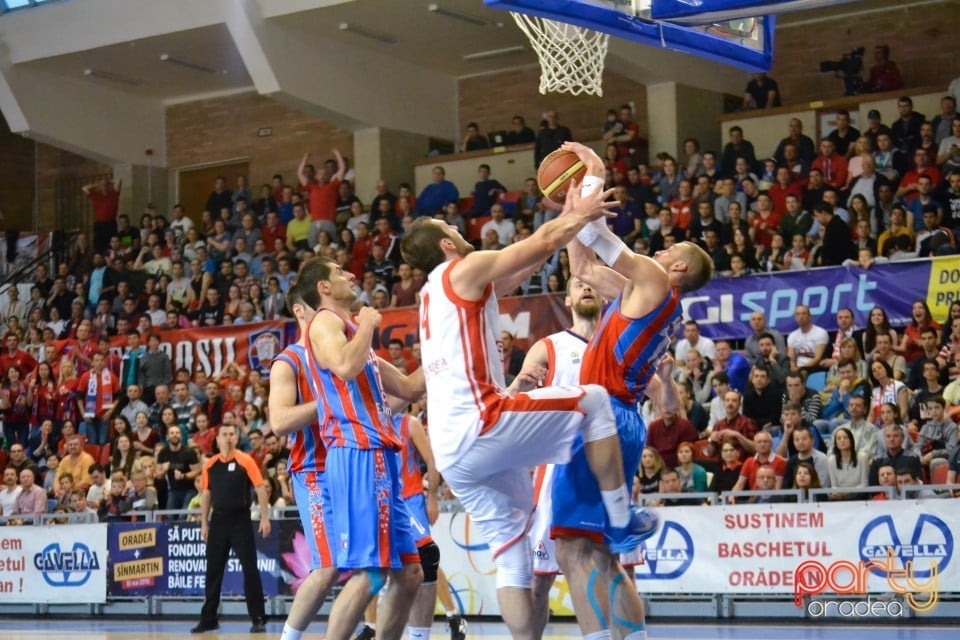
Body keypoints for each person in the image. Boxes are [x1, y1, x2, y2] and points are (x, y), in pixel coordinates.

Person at [400, 165, 655, 639]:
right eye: (453, 228)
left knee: (512, 557)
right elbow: (536, 245)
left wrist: (564, 225)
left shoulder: (433, 294)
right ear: (446, 245)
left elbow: (525, 266)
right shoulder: (464, 267)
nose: (460, 229)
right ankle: (623, 517)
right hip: (482, 421)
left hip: (454, 449)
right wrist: (579, 214)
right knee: (595, 401)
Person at [560, 141, 714, 640]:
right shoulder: (642, 297)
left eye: (670, 250)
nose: (661, 248)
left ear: (680, 269)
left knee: (573, 549)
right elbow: (582, 267)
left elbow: (597, 233)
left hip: (602, 415)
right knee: (605, 554)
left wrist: (594, 173)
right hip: (622, 420)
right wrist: (569, 213)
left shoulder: (651, 278)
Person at [301, 258, 426, 640]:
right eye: (340, 272)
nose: (351, 275)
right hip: (357, 452)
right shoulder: (324, 322)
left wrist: (444, 351)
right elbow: (343, 366)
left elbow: (407, 387)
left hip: (381, 457)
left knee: (410, 573)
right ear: (323, 287)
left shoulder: (352, 331)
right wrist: (370, 324)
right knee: (370, 574)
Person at [516, 276, 604, 637]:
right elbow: (512, 404)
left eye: (592, 283)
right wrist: (516, 388)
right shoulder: (548, 346)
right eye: (578, 284)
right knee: (539, 582)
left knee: (606, 574)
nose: (586, 287)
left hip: (604, 467)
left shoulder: (617, 347)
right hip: (556, 471)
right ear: (566, 300)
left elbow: (666, 403)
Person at [267, 280, 339, 640]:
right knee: (327, 568)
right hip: (316, 471)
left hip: (353, 468)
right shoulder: (290, 360)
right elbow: (279, 422)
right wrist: (331, 399)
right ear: (302, 310)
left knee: (383, 566)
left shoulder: (343, 352)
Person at [191, 422, 270, 634]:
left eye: (231, 434)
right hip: (218, 520)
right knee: (213, 571)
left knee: (250, 569)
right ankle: (209, 619)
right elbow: (206, 495)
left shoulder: (246, 460)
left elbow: (260, 489)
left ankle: (258, 617)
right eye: (224, 434)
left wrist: (264, 518)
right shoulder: (210, 464)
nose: (228, 437)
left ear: (236, 438)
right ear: (216, 440)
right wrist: (204, 523)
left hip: (240, 520)